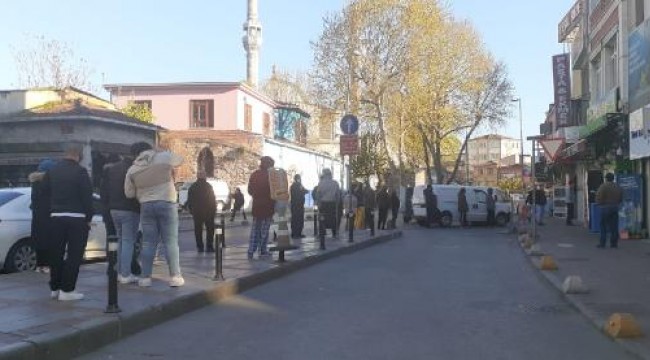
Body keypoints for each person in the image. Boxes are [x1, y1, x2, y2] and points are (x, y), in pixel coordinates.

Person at [125, 142, 185, 287]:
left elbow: (129, 193)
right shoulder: (163, 157)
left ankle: (145, 278)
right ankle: (175, 277)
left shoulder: (132, 170)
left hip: (146, 205)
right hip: (166, 202)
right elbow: (180, 160)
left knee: (148, 243)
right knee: (170, 241)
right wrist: (160, 152)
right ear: (150, 149)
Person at [42, 144, 93, 301]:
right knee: (74, 255)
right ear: (78, 155)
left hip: (56, 216)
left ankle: (55, 288)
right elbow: (87, 197)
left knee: (56, 253)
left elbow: (45, 193)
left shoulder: (52, 171)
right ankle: (67, 290)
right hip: (77, 218)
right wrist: (89, 218)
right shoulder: (81, 172)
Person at [101, 153, 141, 284]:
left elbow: (105, 192)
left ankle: (118, 272)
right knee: (128, 241)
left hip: (113, 210)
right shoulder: (134, 169)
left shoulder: (112, 170)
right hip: (129, 209)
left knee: (120, 241)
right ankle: (125, 274)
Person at [29, 159, 57, 273]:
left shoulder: (34, 184)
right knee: (49, 242)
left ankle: (39, 265)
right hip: (48, 217)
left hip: (37, 218)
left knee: (39, 242)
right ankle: (47, 266)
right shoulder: (50, 183)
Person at [247, 156, 276, 259]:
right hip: (268, 206)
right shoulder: (271, 176)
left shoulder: (254, 174)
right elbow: (274, 193)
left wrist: (256, 195)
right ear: (269, 165)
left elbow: (249, 190)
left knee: (255, 230)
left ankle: (251, 250)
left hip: (257, 206)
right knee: (264, 230)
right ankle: (262, 250)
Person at [186, 170, 216, 253]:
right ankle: (209, 246)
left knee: (198, 230)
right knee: (210, 229)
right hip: (208, 212)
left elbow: (190, 200)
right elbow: (212, 200)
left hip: (197, 212)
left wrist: (192, 211)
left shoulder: (193, 187)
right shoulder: (208, 186)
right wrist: (213, 211)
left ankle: (200, 247)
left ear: (197, 177)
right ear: (204, 176)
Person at [596, 173, 623, 248]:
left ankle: (602, 243)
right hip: (615, 207)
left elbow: (599, 196)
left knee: (603, 226)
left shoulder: (603, 186)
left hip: (605, 207)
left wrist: (599, 203)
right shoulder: (617, 186)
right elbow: (621, 197)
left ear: (606, 178)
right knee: (614, 226)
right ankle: (614, 243)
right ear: (613, 178)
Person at [316, 168, 341, 238]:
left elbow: (318, 194)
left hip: (324, 203)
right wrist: (337, 203)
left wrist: (318, 203)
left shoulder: (321, 183)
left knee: (322, 218)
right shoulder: (335, 183)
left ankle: (322, 232)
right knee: (333, 218)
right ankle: (334, 233)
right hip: (332, 203)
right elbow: (338, 195)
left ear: (324, 174)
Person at [290, 174, 308, 238]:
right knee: (299, 219)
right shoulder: (298, 185)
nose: (300, 179)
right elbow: (305, 191)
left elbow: (305, 191)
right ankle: (297, 233)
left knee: (295, 219)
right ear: (298, 179)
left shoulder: (293, 186)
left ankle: (295, 233)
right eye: (299, 178)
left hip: (294, 205)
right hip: (298, 205)